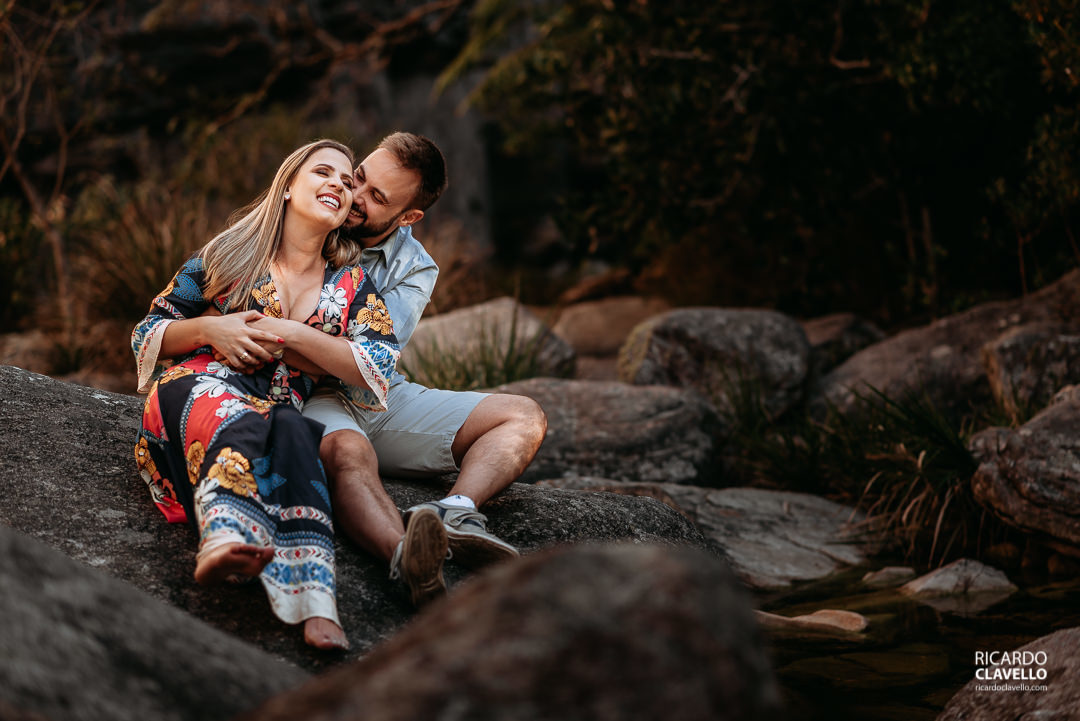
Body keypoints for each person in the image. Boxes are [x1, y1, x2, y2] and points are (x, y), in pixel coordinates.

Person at [131, 139, 407, 651]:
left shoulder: (351, 284)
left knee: (297, 436)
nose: (339, 186)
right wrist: (215, 331)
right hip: (197, 385)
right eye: (323, 172)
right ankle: (225, 535)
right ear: (286, 186)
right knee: (240, 418)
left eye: (347, 183)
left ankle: (314, 601)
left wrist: (289, 338)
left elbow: (376, 365)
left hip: (279, 405)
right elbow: (149, 331)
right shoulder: (228, 254)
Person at [299, 132, 549, 606]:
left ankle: (455, 511)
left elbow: (370, 357)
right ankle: (407, 556)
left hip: (379, 393)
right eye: (360, 179)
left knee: (523, 416)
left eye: (377, 198)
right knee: (351, 455)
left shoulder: (416, 266)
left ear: (409, 216)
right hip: (310, 394)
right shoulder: (314, 210)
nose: (354, 197)